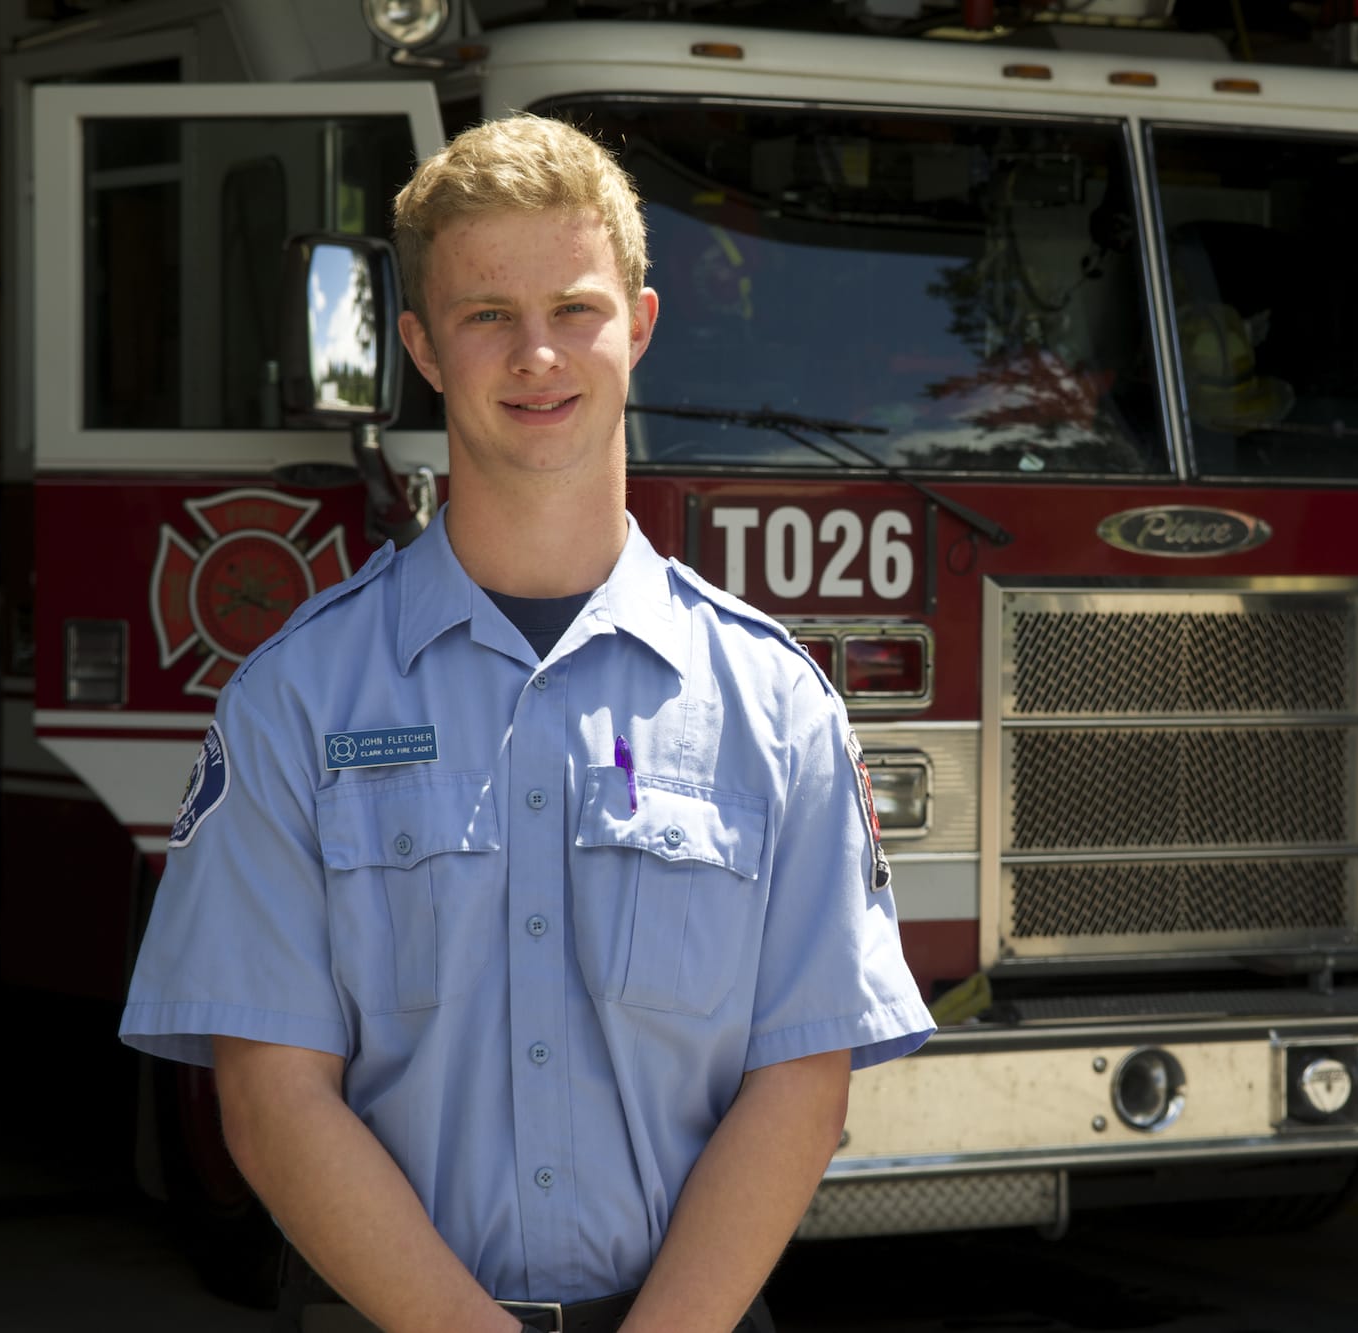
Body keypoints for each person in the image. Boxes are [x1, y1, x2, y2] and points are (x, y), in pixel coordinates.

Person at [120, 113, 936, 1333]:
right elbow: (273, 1095)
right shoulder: (296, 699)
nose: (537, 355)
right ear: (421, 349)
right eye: (486, 315)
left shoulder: (774, 707)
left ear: (641, 327)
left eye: (575, 309)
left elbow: (803, 1081)